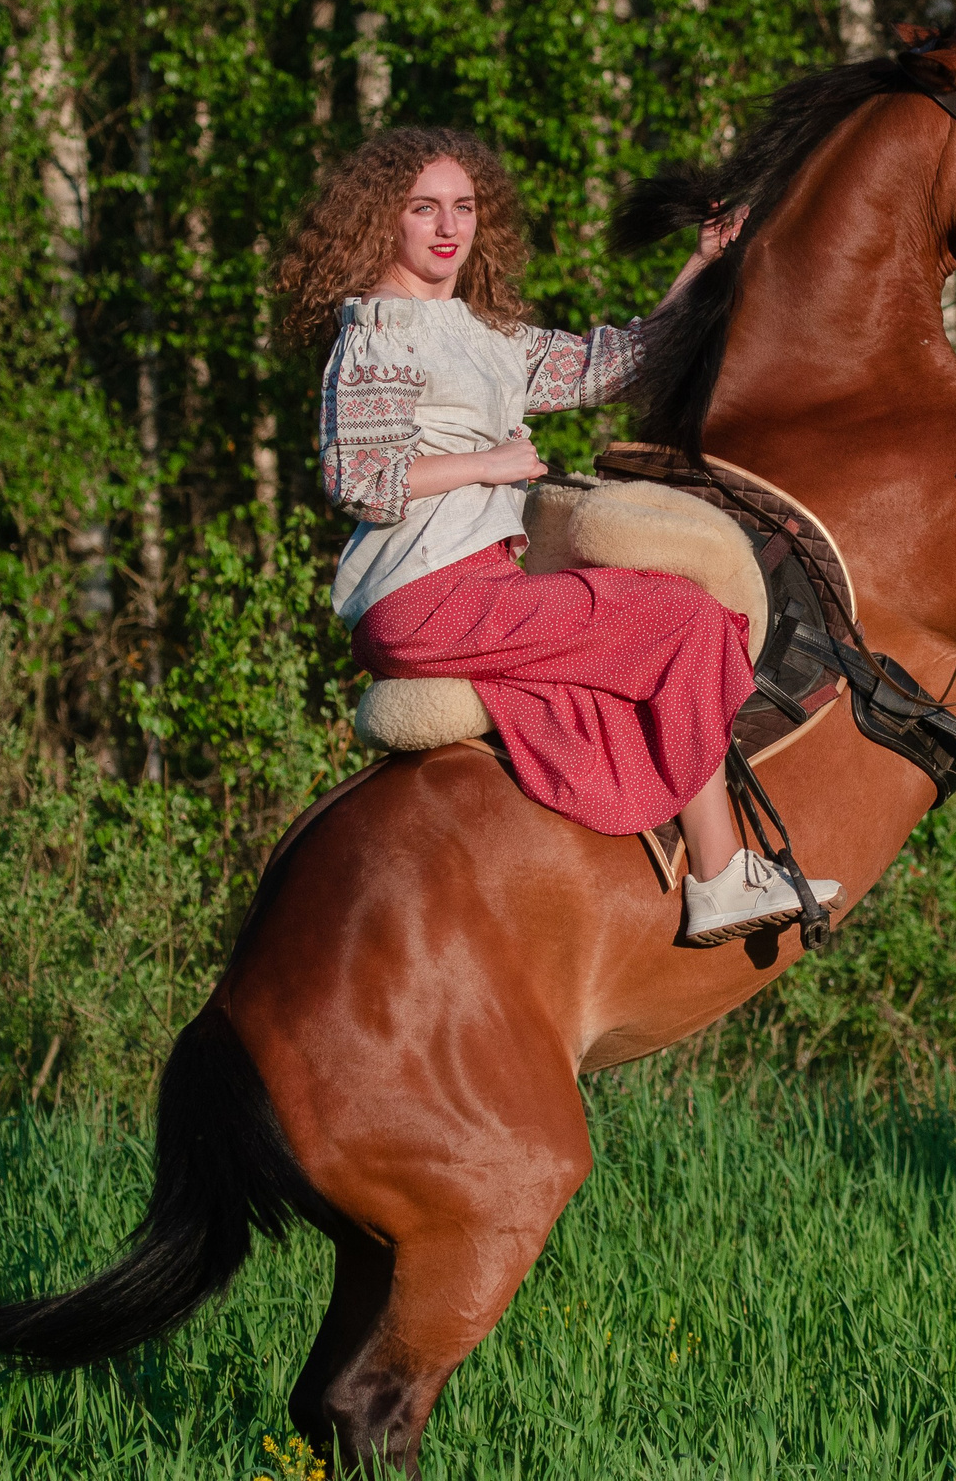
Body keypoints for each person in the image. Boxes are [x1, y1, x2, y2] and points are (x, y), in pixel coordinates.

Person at [279, 127, 837, 946]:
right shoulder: (381, 329)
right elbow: (356, 481)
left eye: (463, 207)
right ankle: (720, 878)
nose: (448, 226)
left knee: (644, 655)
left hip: (480, 588)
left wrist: (704, 263)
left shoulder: (483, 333)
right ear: (381, 221)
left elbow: (613, 364)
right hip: (427, 592)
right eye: (423, 207)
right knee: (679, 616)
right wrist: (487, 464)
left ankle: (710, 874)